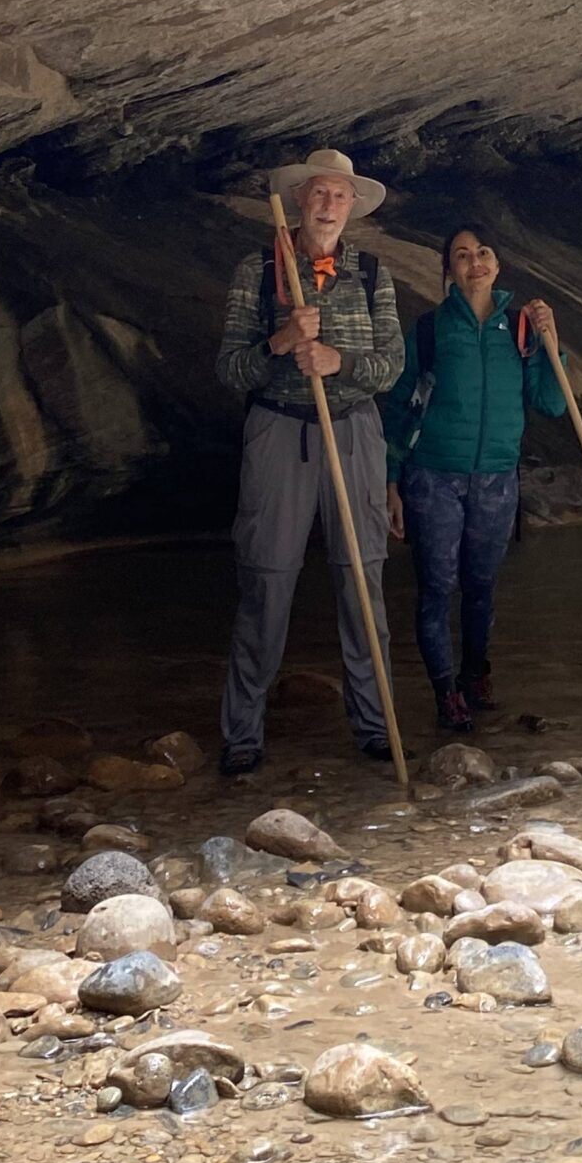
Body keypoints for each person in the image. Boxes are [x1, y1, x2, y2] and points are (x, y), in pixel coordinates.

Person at [215, 148, 405, 776]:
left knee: (362, 580)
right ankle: (243, 735)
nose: (329, 205)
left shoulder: (373, 273)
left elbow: (391, 367)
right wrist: (282, 342)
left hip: (353, 430)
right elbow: (229, 367)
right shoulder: (258, 270)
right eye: (319, 193)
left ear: (352, 207)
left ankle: (376, 727)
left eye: (340, 196)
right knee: (266, 581)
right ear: (300, 200)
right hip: (278, 428)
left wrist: (337, 362)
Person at [381, 223, 566, 732]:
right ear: (449, 270)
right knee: (437, 588)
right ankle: (446, 692)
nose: (474, 262)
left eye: (483, 252)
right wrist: (392, 481)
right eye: (461, 255)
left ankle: (475, 674)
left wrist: (553, 345)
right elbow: (401, 407)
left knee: (481, 587)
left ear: (498, 264)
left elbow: (551, 402)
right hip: (432, 477)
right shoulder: (429, 330)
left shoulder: (521, 328)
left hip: (496, 479)